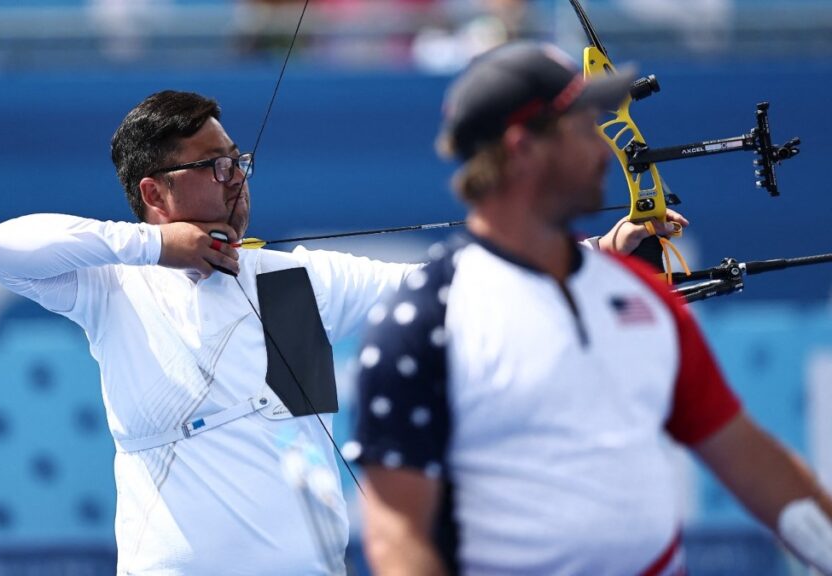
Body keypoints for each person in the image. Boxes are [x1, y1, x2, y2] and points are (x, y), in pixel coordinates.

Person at [0, 89, 679, 574]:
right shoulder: (113, 287)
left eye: (238, 162)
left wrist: (600, 251)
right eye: (213, 166)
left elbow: (452, 285)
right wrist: (160, 248)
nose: (235, 179)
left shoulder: (289, 281)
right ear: (154, 192)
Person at [350, 41, 832, 576]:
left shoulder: (638, 293)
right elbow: (399, 536)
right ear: (523, 149)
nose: (606, 151)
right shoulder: (423, 321)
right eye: (584, 130)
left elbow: (748, 456)